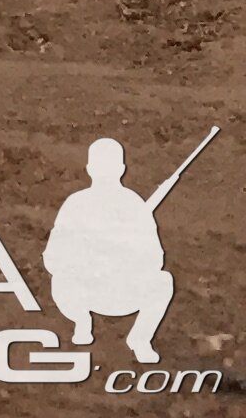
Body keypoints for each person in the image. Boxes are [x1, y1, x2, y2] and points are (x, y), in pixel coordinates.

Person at [44, 136, 179, 365]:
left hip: (124, 292)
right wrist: (87, 259)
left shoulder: (134, 205)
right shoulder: (76, 204)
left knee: (163, 281)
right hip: (85, 292)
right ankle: (82, 321)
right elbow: (52, 257)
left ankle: (140, 339)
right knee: (61, 279)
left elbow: (155, 259)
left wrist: (124, 254)